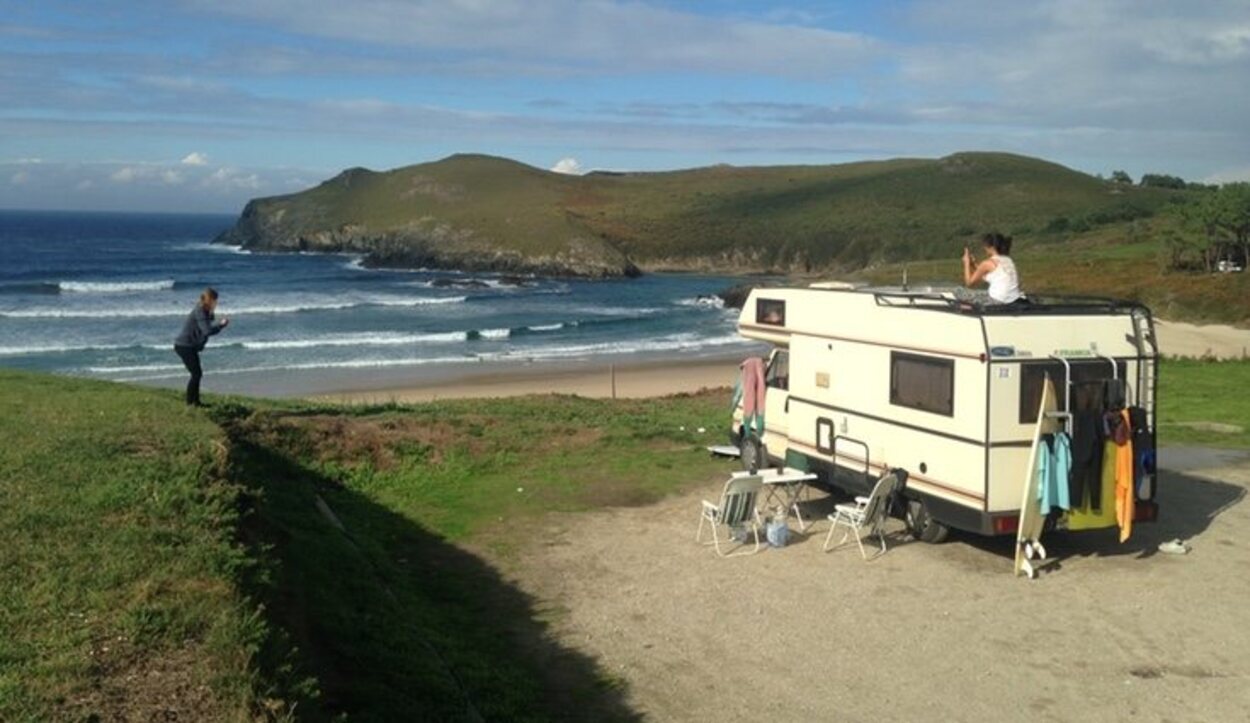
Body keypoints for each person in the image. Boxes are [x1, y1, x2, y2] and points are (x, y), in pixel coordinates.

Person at [174, 288, 229, 406]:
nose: (216, 303)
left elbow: (206, 324)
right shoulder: (200, 311)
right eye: (215, 300)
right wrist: (221, 325)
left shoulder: (205, 310)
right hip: (184, 346)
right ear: (210, 300)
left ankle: (196, 402)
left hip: (190, 346)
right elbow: (207, 331)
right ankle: (190, 403)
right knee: (196, 374)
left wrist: (212, 313)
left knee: (197, 373)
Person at [962, 232, 1023, 305]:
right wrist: (973, 264)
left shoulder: (987, 263)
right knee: (980, 293)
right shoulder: (1008, 260)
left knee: (959, 292)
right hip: (1012, 299)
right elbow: (985, 277)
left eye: (985, 246)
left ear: (991, 247)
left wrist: (966, 263)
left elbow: (969, 283)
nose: (984, 248)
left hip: (997, 300)